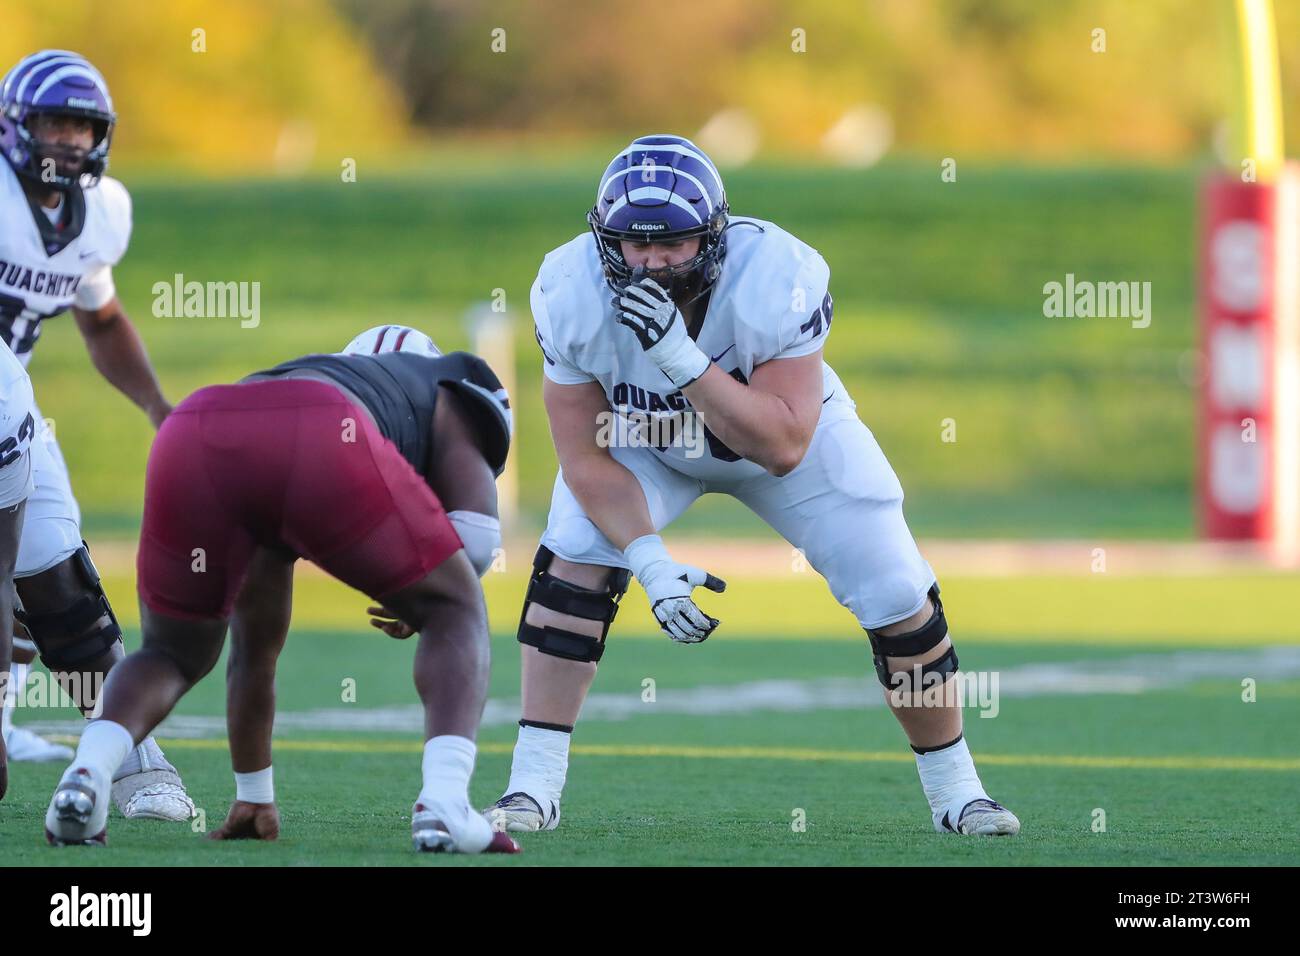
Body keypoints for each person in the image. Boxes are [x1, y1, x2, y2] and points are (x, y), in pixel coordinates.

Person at [486, 135, 1020, 838]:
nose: (649, 260)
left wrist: (677, 354)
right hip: (643, 441)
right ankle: (532, 788)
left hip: (778, 434)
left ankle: (958, 791)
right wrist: (649, 561)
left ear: (713, 236)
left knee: (894, 585)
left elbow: (781, 445)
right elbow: (585, 459)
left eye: (672, 242)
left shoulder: (778, 274)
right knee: (572, 555)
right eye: (631, 243)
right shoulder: (568, 287)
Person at [45, 327, 519, 853]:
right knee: (457, 609)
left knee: (172, 654)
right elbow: (476, 541)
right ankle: (447, 803)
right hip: (321, 432)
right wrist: (422, 599)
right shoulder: (447, 384)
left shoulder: (296, 383)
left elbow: (254, 655)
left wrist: (254, 793)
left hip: (195, 428)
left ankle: (87, 771)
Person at [0, 50, 190, 820]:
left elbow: (100, 317)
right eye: (52, 122)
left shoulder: (100, 213)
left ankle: (135, 763)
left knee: (63, 583)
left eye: (82, 127)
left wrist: (158, 408)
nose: (67, 140)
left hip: (10, 402)